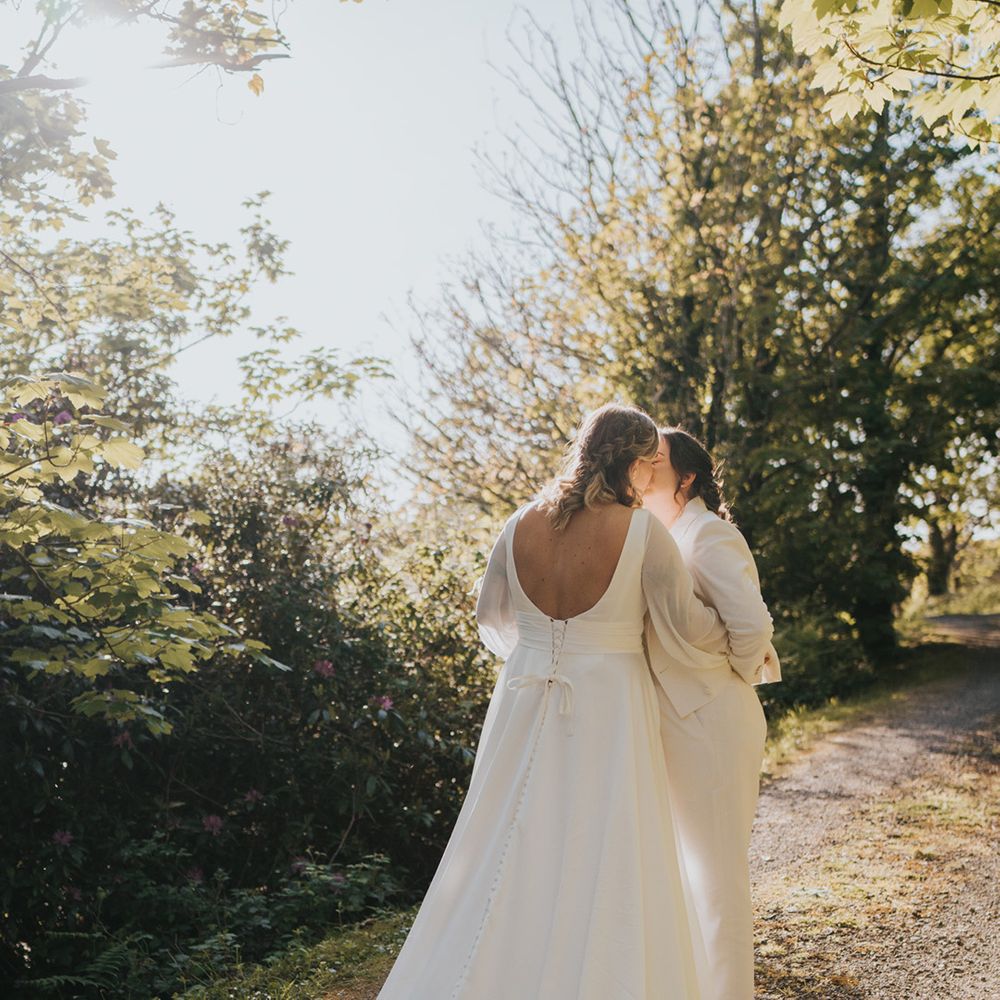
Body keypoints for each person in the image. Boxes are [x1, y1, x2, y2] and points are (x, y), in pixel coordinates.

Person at [376, 403, 738, 999]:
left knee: (509, 833)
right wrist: (732, 636)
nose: (652, 475)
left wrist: (543, 649)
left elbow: (491, 615)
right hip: (610, 700)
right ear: (634, 463)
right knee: (601, 839)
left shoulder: (521, 521)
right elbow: (682, 622)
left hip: (524, 693)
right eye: (650, 463)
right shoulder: (642, 530)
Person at [641, 425, 781, 1000]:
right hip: (683, 723)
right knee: (690, 875)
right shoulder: (665, 534)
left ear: (687, 476)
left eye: (657, 459)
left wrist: (723, 675)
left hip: (715, 720)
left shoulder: (710, 534)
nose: (645, 466)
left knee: (719, 878)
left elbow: (752, 627)